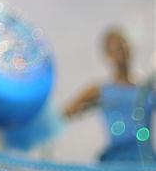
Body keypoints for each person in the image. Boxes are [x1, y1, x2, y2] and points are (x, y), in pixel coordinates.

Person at [63, 28, 156, 163]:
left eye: (123, 44)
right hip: (115, 162)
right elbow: (63, 114)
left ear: (130, 49)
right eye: (115, 47)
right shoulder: (100, 90)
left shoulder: (146, 91)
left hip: (145, 162)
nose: (120, 49)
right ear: (108, 55)